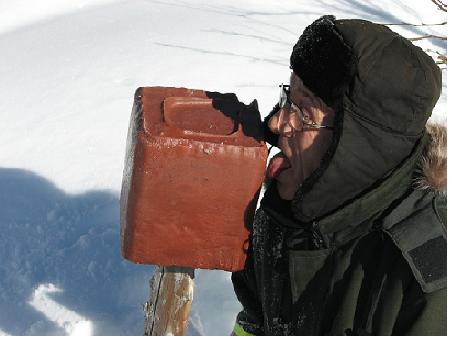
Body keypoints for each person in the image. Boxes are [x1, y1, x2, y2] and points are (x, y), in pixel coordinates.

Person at [231, 15, 446, 336]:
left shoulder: (429, 281)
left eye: (304, 112)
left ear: (359, 144)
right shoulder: (283, 216)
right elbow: (255, 321)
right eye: (288, 98)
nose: (276, 125)